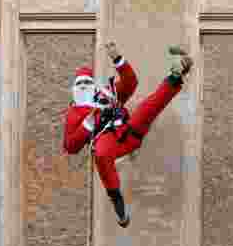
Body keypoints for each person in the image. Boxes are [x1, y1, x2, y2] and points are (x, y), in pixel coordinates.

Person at [62, 42, 193, 227]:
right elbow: (70, 145)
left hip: (126, 128)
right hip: (105, 140)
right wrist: (88, 123)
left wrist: (117, 59)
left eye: (87, 82)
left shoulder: (106, 93)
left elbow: (131, 82)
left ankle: (176, 75)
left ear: (94, 85)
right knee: (101, 153)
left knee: (148, 107)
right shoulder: (74, 113)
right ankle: (118, 204)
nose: (84, 86)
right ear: (74, 88)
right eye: (80, 83)